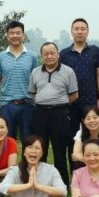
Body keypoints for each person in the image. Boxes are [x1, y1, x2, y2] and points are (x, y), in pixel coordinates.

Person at [29, 42, 78, 185]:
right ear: (42, 56)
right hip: (40, 114)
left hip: (60, 114)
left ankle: (62, 184)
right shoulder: (35, 72)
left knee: (59, 150)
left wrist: (58, 103)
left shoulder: (68, 71)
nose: (49, 56)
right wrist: (45, 102)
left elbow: (74, 95)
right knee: (39, 149)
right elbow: (32, 93)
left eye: (52, 53)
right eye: (46, 54)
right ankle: (39, 182)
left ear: (58, 55)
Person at [59, 18, 99, 169]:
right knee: (72, 137)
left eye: (83, 29)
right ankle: (75, 171)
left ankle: (95, 169)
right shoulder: (64, 54)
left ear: (87, 31)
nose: (79, 32)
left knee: (92, 136)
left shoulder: (95, 51)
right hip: (71, 102)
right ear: (71, 31)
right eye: (76, 29)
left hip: (90, 101)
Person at [0, 20, 37, 140]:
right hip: (7, 105)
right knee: (7, 140)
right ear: (7, 36)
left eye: (18, 33)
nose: (15, 36)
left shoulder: (32, 56)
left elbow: (35, 79)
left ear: (23, 35)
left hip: (28, 104)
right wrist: (7, 91)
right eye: (12, 33)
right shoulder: (0, 57)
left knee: (28, 139)